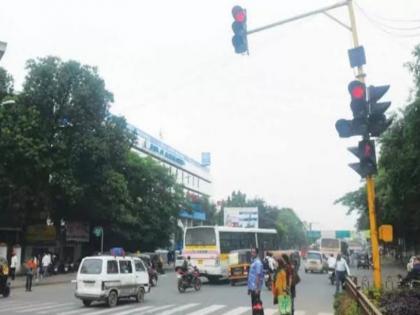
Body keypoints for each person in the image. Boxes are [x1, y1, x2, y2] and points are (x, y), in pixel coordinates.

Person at [248, 247, 264, 314]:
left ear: (257, 253)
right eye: (252, 252)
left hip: (255, 288)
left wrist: (257, 288)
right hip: (252, 287)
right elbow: (251, 276)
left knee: (256, 304)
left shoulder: (258, 262)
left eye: (254, 252)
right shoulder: (253, 262)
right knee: (254, 304)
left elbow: (258, 275)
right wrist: (249, 288)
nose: (252, 253)